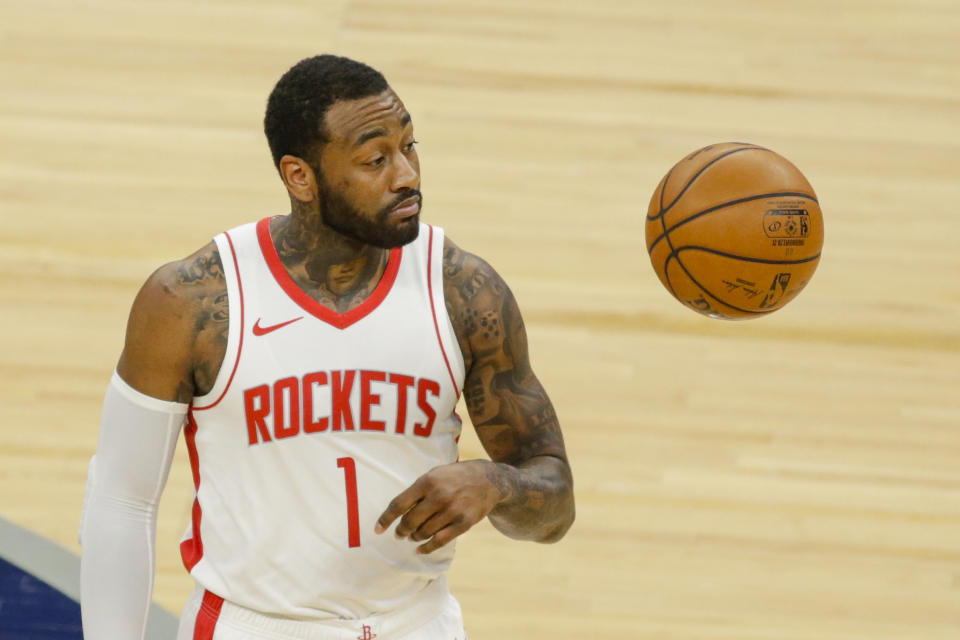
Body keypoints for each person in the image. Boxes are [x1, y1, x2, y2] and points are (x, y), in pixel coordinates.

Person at [79, 54, 575, 640]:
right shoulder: (193, 300)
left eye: (410, 146)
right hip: (253, 626)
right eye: (375, 159)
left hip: (417, 624)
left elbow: (555, 506)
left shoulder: (464, 291)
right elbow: (121, 500)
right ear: (299, 177)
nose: (407, 175)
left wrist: (497, 484)